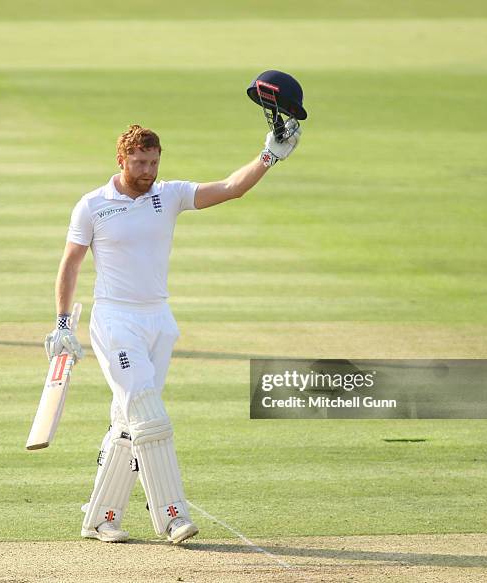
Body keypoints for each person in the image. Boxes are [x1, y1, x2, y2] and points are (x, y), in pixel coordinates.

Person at [44, 121, 301, 544]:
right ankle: (172, 516)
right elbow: (70, 263)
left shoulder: (169, 194)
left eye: (154, 162)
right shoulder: (92, 205)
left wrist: (268, 156)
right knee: (148, 411)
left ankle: (100, 517)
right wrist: (61, 323)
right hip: (115, 320)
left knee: (130, 419)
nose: (148, 170)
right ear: (121, 160)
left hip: (158, 320)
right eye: (139, 162)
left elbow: (231, 187)